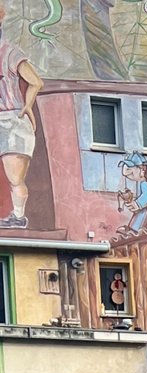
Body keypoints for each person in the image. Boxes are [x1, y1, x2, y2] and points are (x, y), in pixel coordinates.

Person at [0, 6, 42, 230]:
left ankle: (18, 216)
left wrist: (27, 105)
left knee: (15, 177)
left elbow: (36, 81)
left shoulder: (9, 52)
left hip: (11, 120)